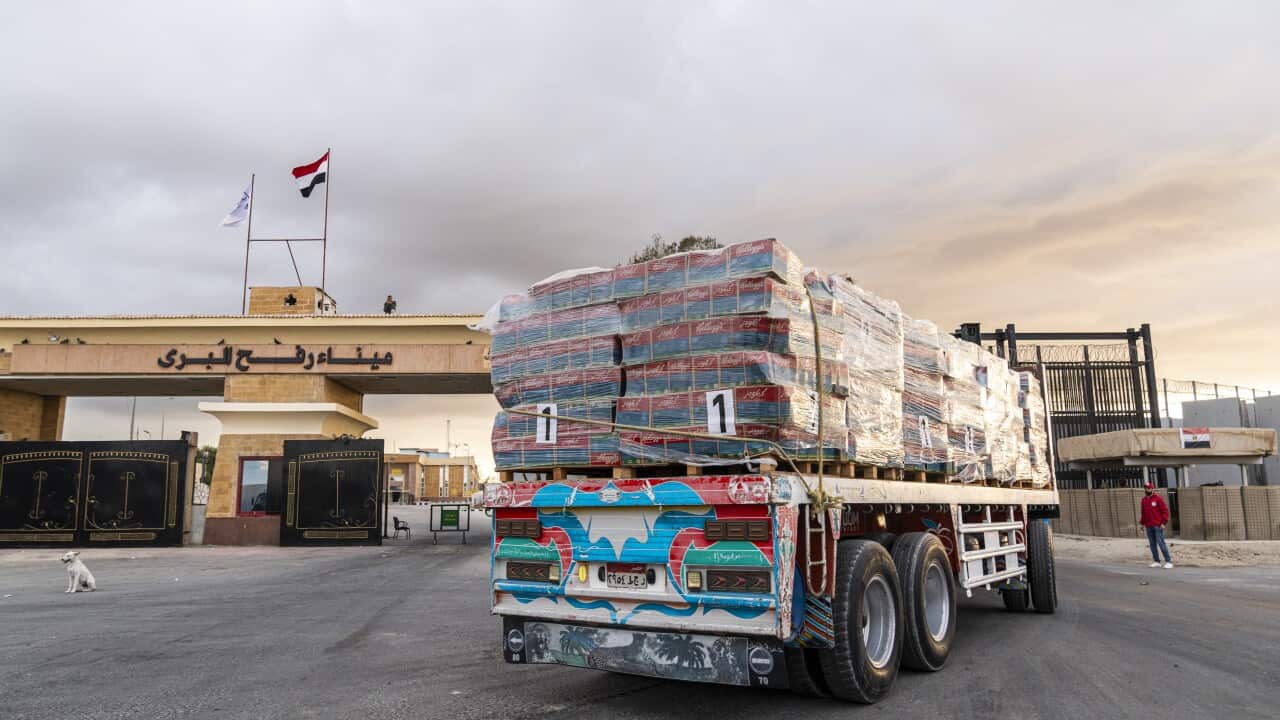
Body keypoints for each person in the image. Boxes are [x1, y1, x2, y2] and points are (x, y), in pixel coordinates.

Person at [1139, 481, 1173, 569]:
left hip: (1157, 525)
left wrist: (1164, 523)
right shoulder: (1144, 500)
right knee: (1152, 544)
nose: (1147, 489)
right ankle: (1156, 561)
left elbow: (1165, 511)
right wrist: (1142, 524)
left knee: (1161, 543)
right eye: (1146, 488)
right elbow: (1143, 513)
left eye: (1149, 488)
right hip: (1148, 525)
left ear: (1152, 489)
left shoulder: (1158, 499)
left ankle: (1168, 561)